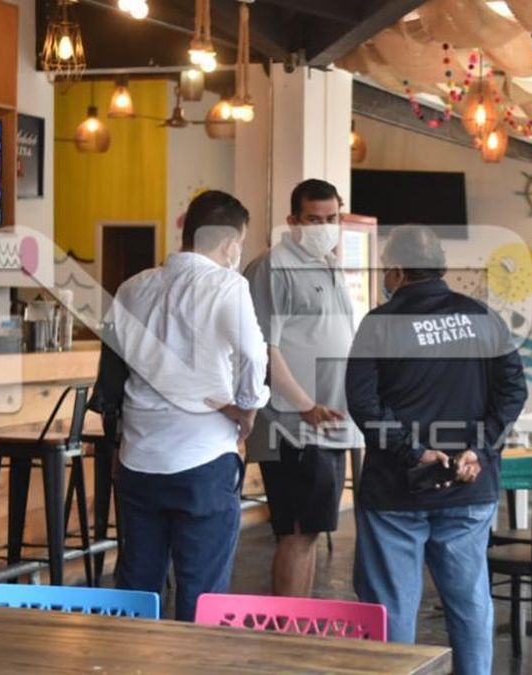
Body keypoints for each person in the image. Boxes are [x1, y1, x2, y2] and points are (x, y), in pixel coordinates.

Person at [346, 225, 527, 675]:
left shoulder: (378, 324)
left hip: (395, 494)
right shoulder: (482, 317)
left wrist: (414, 452)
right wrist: (478, 449)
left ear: (398, 270)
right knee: (469, 605)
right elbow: (513, 391)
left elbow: (363, 403)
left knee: (390, 610)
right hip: (467, 486)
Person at [108, 190, 269, 621]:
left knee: (136, 590)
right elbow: (254, 356)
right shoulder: (227, 285)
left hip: (139, 457)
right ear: (230, 242)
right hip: (202, 457)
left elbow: (115, 364)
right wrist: (248, 408)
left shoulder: (132, 288)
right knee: (202, 598)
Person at [244, 179, 362, 597]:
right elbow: (262, 349)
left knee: (309, 532)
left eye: (332, 218)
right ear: (293, 221)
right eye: (314, 220)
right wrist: (305, 404)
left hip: (327, 423)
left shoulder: (328, 264)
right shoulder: (272, 267)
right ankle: (285, 629)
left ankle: (300, 622)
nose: (325, 227)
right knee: (295, 533)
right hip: (293, 426)